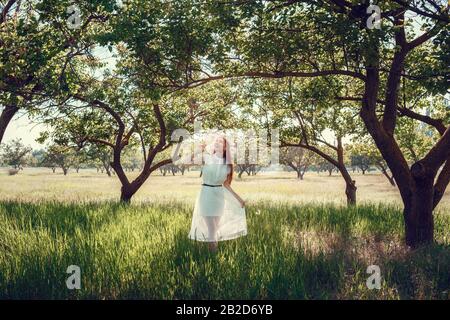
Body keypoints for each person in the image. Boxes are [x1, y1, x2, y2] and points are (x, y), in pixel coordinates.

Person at [188, 135, 247, 252]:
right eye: (216, 141)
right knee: (212, 229)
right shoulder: (207, 157)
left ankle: (213, 256)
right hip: (206, 194)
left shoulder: (227, 165)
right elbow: (188, 161)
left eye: (220, 142)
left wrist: (239, 199)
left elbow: (226, 185)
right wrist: (198, 150)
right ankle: (213, 256)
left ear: (225, 147)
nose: (217, 142)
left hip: (219, 197)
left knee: (214, 229)